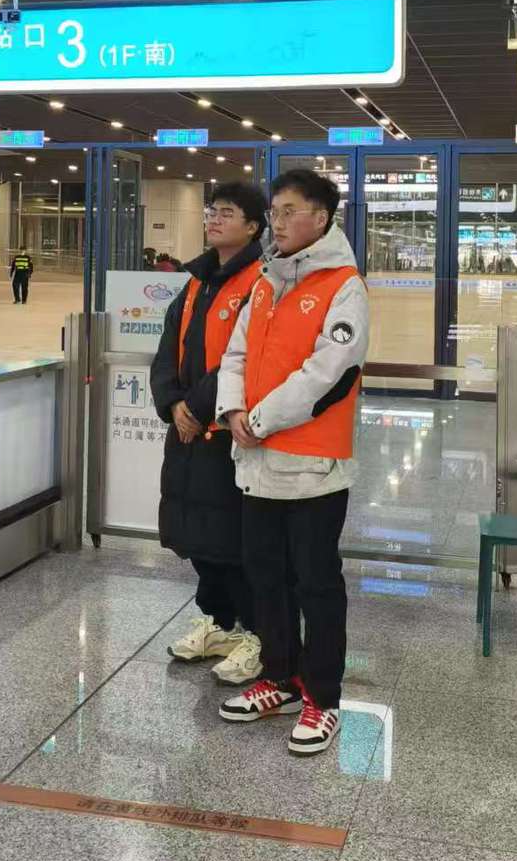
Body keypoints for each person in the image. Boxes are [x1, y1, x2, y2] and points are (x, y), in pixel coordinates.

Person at [216, 169, 369, 756]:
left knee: (316, 584)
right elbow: (237, 352)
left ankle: (322, 698)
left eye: (288, 212)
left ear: (321, 218)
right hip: (256, 464)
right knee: (266, 577)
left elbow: (327, 374)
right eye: (274, 212)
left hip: (312, 468)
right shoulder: (265, 280)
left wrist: (259, 419)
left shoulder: (344, 286)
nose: (276, 222)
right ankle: (279, 678)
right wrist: (233, 410)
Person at [152, 183, 267, 685]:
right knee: (195, 533)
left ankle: (257, 632)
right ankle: (219, 622)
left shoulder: (260, 280)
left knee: (233, 538)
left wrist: (196, 407)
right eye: (212, 211)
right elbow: (167, 349)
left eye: (227, 212)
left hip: (226, 431)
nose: (214, 219)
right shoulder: (195, 281)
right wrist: (172, 402)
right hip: (187, 429)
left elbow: (246, 358)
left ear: (253, 227)